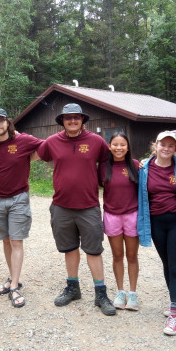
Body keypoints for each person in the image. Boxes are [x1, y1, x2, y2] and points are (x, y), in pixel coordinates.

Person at [37, 103, 116, 316]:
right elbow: (37, 154)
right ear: (62, 121)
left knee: (94, 250)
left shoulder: (97, 142)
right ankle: (73, 288)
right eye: (68, 117)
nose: (72, 121)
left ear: (82, 120)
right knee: (69, 248)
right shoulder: (52, 142)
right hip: (61, 206)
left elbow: (111, 162)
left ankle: (101, 293)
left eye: (76, 117)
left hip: (89, 205)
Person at [0, 108, 43, 308]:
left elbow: (47, 147)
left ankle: (14, 286)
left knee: (16, 241)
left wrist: (29, 158)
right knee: (6, 240)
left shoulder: (23, 140)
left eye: (1, 121)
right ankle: (12, 277)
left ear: (8, 122)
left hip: (18, 198)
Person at [137, 131, 176, 336]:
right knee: (167, 264)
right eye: (163, 144)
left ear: (175, 149)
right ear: (156, 145)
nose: (166, 148)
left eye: (171, 145)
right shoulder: (144, 168)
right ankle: (175, 302)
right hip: (156, 223)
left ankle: (175, 314)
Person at [98, 132, 140, 311]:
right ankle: (120, 291)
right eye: (115, 144)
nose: (119, 148)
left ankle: (132, 293)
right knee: (117, 256)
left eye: (122, 144)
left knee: (131, 256)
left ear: (128, 147)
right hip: (112, 215)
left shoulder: (136, 165)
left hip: (132, 215)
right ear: (109, 146)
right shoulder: (103, 167)